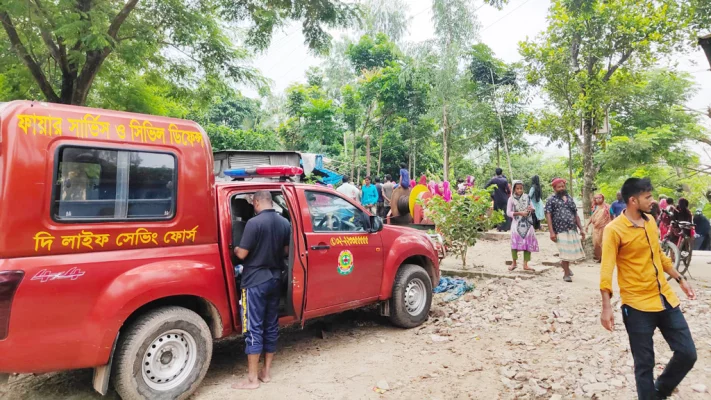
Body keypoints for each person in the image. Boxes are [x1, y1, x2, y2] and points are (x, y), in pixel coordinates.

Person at [600, 178, 697, 400]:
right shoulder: (613, 230)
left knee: (687, 353)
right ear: (633, 200)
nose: (652, 201)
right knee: (644, 364)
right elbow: (606, 268)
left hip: (665, 298)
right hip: (636, 305)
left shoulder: (651, 222)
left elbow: (660, 255)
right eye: (647, 197)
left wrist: (680, 278)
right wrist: (606, 307)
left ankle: (659, 392)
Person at [233, 191, 291, 390]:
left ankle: (252, 380)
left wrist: (235, 249)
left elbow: (242, 254)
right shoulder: (284, 223)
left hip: (254, 282)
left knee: (253, 327)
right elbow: (285, 251)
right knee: (270, 325)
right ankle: (265, 373)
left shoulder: (253, 223)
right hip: (275, 279)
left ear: (257, 202)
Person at [545, 177, 586, 282]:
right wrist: (551, 232)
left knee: (570, 252)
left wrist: (581, 228)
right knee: (564, 252)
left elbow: (575, 214)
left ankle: (566, 267)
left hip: (571, 228)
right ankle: (566, 274)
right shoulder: (551, 200)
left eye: (563, 186)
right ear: (554, 188)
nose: (561, 188)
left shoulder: (569, 198)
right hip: (559, 230)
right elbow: (548, 215)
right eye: (559, 187)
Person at [507, 180, 539, 271]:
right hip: (516, 224)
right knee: (514, 243)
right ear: (514, 189)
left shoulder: (527, 197)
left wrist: (531, 209)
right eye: (517, 188)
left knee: (527, 243)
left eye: (521, 188)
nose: (520, 190)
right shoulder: (511, 199)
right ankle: (514, 263)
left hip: (527, 224)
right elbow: (508, 212)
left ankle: (525, 264)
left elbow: (533, 208)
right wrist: (519, 213)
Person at [586, 193, 611, 262]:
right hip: (596, 228)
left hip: (605, 227)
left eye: (599, 198)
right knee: (596, 243)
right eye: (596, 198)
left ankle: (605, 258)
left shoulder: (607, 207)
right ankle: (599, 257)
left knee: (604, 242)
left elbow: (611, 216)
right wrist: (587, 225)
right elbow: (592, 217)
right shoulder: (594, 207)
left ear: (603, 198)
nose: (598, 199)